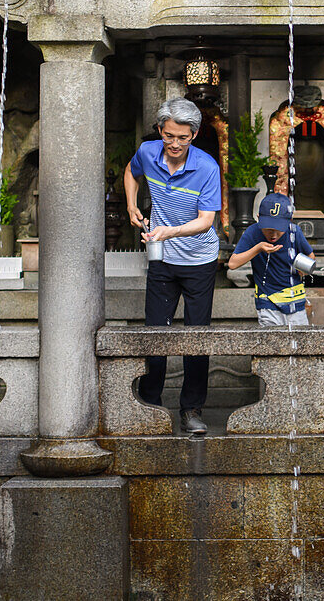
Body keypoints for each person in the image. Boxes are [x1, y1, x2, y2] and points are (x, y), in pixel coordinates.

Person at [124, 97, 221, 435]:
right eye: (169, 136)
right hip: (161, 259)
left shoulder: (207, 167)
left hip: (199, 259)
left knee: (197, 336)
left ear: (194, 134)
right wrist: (132, 205)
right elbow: (131, 171)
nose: (175, 144)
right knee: (156, 331)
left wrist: (169, 231)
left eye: (183, 137)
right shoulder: (148, 152)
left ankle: (191, 410)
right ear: (161, 132)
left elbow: (206, 221)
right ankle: (149, 405)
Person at [227, 193, 315, 326]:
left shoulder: (294, 232)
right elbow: (233, 263)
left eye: (279, 229)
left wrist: (303, 269)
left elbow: (310, 255)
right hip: (267, 302)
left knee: (299, 342)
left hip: (295, 301)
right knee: (272, 342)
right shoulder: (253, 232)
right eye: (268, 229)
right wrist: (258, 248)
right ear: (259, 219)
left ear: (289, 221)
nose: (273, 234)